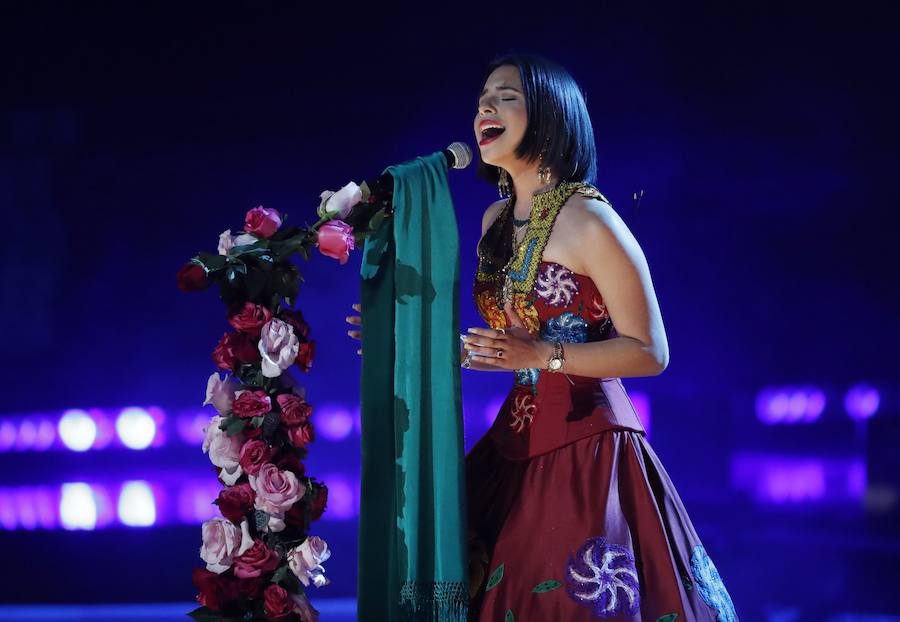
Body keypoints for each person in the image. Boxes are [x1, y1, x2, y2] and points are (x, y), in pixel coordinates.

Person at [347, 53, 737, 622]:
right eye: (483, 95)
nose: (485, 105)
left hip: (587, 452)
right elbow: (508, 344)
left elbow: (651, 351)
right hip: (512, 448)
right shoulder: (493, 223)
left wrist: (544, 356)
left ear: (551, 116)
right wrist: (407, 340)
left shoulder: (591, 219)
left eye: (507, 95)